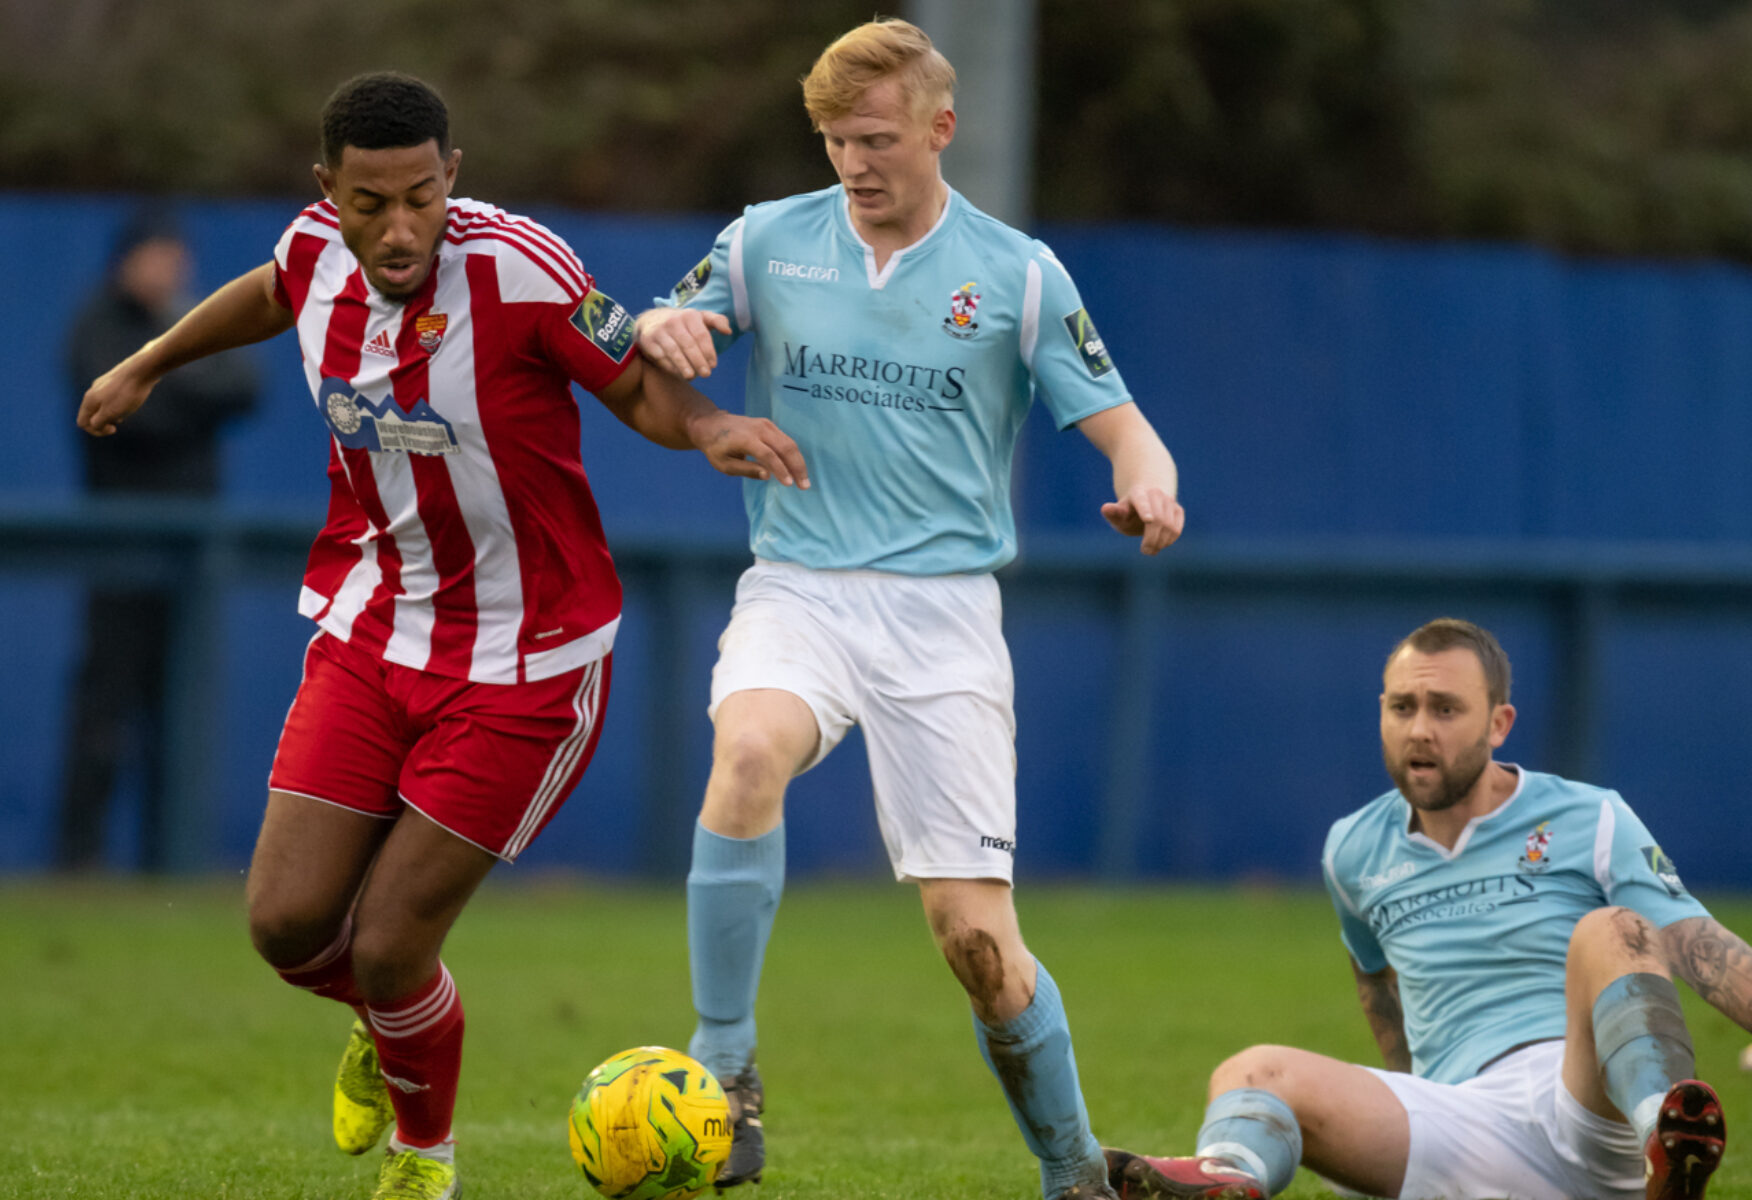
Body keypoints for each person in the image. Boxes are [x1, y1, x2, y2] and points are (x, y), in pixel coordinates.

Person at [77, 72, 805, 1200]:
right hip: (373, 634)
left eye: (422, 194)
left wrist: (706, 425)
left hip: (526, 664)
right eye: (372, 202)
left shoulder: (521, 268)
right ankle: (390, 1027)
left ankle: (425, 1156)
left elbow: (631, 384)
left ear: (450, 177)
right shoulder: (317, 249)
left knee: (387, 945)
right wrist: (150, 359)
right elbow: (273, 291)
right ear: (331, 191)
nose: (400, 225)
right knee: (283, 922)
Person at [635, 19, 1184, 1200]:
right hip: (800, 586)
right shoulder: (767, 242)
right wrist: (661, 327)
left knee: (976, 944)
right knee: (746, 755)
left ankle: (1075, 1170)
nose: (853, 163)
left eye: (876, 138)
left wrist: (1147, 482)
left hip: (941, 619)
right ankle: (723, 1072)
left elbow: (1123, 421)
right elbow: (643, 335)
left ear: (941, 128)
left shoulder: (1019, 272)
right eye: (834, 141)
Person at [1102, 618, 1751, 1200]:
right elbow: (1378, 990)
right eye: (1403, 706)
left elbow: (1701, 947)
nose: (1419, 729)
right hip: (1461, 1120)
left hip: (1587, 1106)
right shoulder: (1352, 849)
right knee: (1251, 1068)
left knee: (1613, 930)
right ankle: (1227, 1178)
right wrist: (1401, 1104)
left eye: (1445, 709)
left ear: (1499, 723)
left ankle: (1665, 1140)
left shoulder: (1592, 815)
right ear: (1380, 711)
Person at [57, 206, 260, 871]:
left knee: (177, 714)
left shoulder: (191, 321)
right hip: (123, 547)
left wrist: (162, 376)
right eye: (158, 256)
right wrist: (169, 385)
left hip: (191, 558)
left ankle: (164, 865)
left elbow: (244, 387)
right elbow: (127, 416)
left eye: (177, 256)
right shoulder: (98, 324)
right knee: (104, 710)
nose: (171, 270)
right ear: (128, 260)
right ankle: (78, 860)